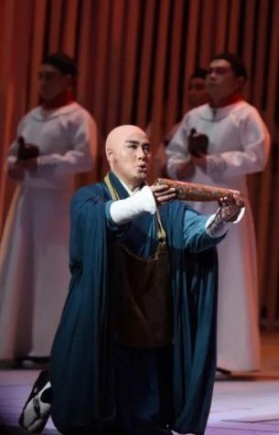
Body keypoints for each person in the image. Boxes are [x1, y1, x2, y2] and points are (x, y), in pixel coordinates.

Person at [49, 125, 243, 434]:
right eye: (132, 147)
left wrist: (223, 218)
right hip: (108, 316)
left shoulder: (166, 206)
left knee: (147, 408)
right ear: (110, 155)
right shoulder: (90, 198)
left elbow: (197, 233)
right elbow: (101, 217)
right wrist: (143, 202)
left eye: (147, 148)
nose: (142, 155)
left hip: (151, 316)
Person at [166, 53, 270, 373]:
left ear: (238, 80)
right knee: (190, 273)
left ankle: (228, 356)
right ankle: (187, 351)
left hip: (228, 207)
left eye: (220, 71)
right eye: (210, 71)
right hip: (193, 205)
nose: (212, 76)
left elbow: (258, 156)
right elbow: (172, 154)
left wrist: (213, 161)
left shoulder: (246, 115)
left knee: (228, 275)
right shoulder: (194, 115)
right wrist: (182, 165)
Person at [0, 52, 97, 367]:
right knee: (20, 268)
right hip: (27, 199)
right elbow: (12, 153)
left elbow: (85, 157)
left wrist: (42, 162)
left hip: (56, 203)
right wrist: (15, 165)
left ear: (68, 80)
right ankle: (16, 341)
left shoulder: (78, 117)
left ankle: (47, 345)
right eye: (41, 76)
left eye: (50, 76)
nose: (43, 82)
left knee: (50, 271)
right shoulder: (31, 117)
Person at [148, 68, 210, 176]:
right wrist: (178, 170)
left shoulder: (222, 124)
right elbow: (160, 160)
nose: (192, 93)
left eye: (199, 87)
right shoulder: (179, 127)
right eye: (190, 88)